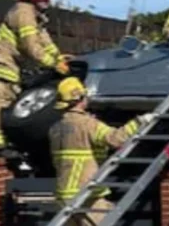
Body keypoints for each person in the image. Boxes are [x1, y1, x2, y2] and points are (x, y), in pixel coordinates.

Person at [0, 0, 73, 155]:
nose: (49, 0)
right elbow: (31, 47)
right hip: (1, 63)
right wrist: (54, 64)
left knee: (10, 105)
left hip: (12, 66)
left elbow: (46, 42)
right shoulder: (23, 13)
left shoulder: (36, 17)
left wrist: (60, 58)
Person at [49, 77, 155, 225]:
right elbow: (115, 139)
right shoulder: (86, 124)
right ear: (80, 98)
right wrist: (140, 122)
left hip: (64, 193)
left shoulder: (56, 128)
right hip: (85, 194)